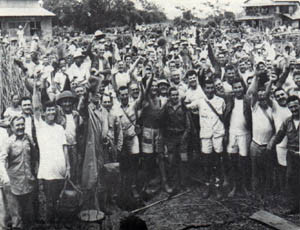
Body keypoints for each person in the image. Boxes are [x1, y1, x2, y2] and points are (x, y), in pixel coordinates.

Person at [32, 78, 71, 225]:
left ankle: (57, 222)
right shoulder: (40, 125)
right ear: (44, 113)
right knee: (49, 200)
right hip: (48, 172)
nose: (50, 112)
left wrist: (68, 167)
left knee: (58, 199)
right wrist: (36, 88)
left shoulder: (60, 128)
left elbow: (65, 148)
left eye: (52, 110)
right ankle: (50, 224)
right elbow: (36, 107)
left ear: (55, 112)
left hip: (60, 169)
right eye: (48, 110)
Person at [187, 79, 226, 199]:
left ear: (214, 88)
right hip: (205, 135)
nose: (209, 90)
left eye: (211, 88)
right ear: (204, 89)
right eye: (207, 88)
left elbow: (223, 114)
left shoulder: (220, 101)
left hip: (218, 135)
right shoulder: (200, 102)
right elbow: (187, 107)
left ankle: (218, 186)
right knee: (206, 161)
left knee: (218, 161)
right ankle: (207, 185)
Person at [0, 116, 37, 229]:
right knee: (16, 218)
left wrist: (34, 171)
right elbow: (1, 160)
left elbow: (34, 156)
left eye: (22, 124)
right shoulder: (8, 142)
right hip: (14, 185)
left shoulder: (28, 139)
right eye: (17, 125)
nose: (20, 127)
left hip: (28, 183)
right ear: (12, 127)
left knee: (29, 215)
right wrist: (5, 177)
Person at [268, 95, 300, 215]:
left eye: (296, 106)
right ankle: (296, 207)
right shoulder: (287, 121)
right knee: (292, 180)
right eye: (291, 107)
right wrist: (271, 144)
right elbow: (279, 135)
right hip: (292, 155)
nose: (294, 109)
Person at [224, 78, 252, 197]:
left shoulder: (248, 100)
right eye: (235, 87)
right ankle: (235, 186)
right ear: (233, 89)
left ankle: (244, 186)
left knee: (244, 161)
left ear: (243, 87)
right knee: (233, 160)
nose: (238, 89)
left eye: (240, 87)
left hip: (244, 134)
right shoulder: (230, 99)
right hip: (232, 134)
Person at [161, 87, 191, 192]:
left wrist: (184, 136)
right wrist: (165, 139)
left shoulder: (183, 106)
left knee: (184, 160)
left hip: (182, 136)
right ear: (169, 96)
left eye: (176, 95)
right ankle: (174, 184)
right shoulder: (166, 107)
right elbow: (162, 123)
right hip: (170, 138)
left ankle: (184, 183)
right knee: (172, 161)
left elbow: (188, 125)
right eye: (172, 95)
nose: (175, 97)